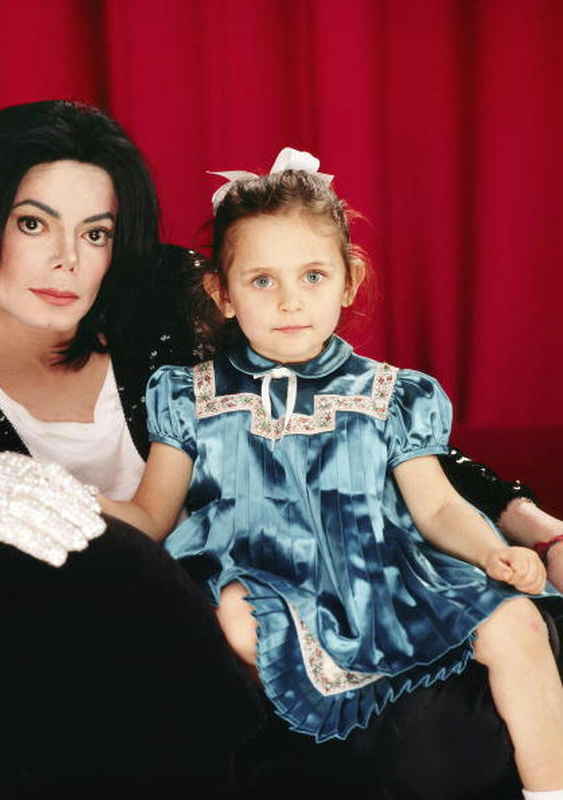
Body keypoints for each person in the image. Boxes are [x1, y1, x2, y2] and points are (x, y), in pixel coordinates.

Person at [0, 104, 559, 799]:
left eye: (96, 232)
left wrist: (532, 524)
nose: (67, 259)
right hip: (168, 677)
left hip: (322, 603)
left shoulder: (167, 306)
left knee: (455, 725)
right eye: (33, 224)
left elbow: (357, 429)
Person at [99, 148, 563, 799]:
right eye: (262, 281)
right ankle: (317, 741)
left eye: (312, 276)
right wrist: (57, 494)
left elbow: (436, 507)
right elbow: (151, 514)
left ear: (348, 281)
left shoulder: (392, 394)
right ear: (222, 294)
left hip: (383, 574)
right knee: (235, 622)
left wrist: (492, 553)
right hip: (264, 578)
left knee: (518, 625)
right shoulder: (189, 396)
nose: (290, 301)